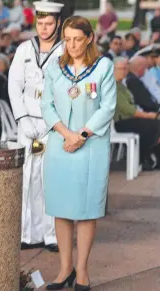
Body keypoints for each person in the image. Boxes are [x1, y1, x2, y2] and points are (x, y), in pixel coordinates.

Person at [41, 16, 116, 290]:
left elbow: (107, 107)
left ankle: (82, 271)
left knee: (86, 210)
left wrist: (82, 135)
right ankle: (64, 269)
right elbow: (47, 105)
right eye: (67, 39)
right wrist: (67, 134)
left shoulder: (103, 67)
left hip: (91, 146)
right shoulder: (55, 67)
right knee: (61, 209)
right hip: (61, 144)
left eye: (77, 39)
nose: (72, 45)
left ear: (89, 38)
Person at [8, 0, 65, 252]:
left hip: (54, 123)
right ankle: (27, 234)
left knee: (50, 179)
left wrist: (55, 122)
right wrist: (22, 118)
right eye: (40, 23)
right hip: (28, 121)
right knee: (26, 177)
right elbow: (13, 85)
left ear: (58, 23)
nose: (44, 28)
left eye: (49, 23)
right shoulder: (24, 49)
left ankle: (51, 235)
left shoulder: (65, 50)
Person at [114, 57, 160, 170]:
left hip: (130, 119)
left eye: (125, 68)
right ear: (113, 70)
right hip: (122, 122)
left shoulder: (121, 85)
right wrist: (150, 115)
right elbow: (128, 110)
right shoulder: (113, 87)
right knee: (157, 125)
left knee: (158, 125)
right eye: (120, 69)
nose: (123, 71)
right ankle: (145, 157)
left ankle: (150, 157)